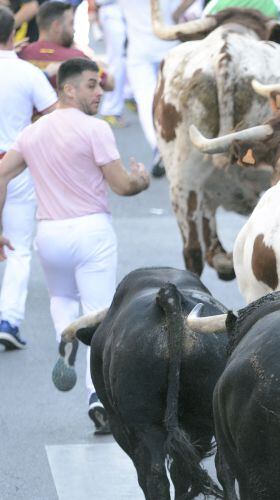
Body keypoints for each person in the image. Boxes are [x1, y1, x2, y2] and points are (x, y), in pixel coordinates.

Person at [0, 58, 150, 432]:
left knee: (62, 300)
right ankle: (96, 394)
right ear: (67, 89)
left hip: (49, 234)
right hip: (91, 231)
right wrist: (142, 180)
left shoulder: (32, 133)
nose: (100, 92)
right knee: (99, 312)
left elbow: (2, 172)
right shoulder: (94, 129)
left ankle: (65, 337)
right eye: (90, 85)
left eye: (99, 85)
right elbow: (122, 186)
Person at [0, 6, 55, 350]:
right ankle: (8, 320)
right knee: (19, 248)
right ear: (13, 33)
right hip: (14, 160)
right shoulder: (26, 72)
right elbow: (53, 116)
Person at [115, 0, 180, 177]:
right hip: (169, 43)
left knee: (146, 103)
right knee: (174, 99)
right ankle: (173, 146)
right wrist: (177, 14)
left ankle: (159, 148)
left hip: (139, 50)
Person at [18, 1, 112, 89]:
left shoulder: (21, 54)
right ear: (56, 26)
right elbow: (110, 83)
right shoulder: (76, 58)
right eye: (71, 23)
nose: (74, 30)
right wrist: (95, 62)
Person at [88, 0, 127, 127]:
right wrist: (92, 9)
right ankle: (111, 109)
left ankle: (129, 94)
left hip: (122, 10)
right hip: (111, 9)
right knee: (118, 61)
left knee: (126, 58)